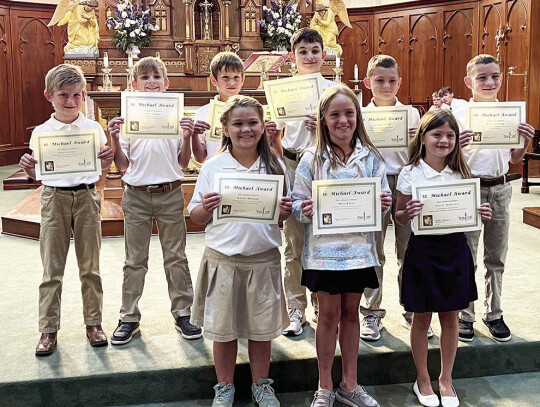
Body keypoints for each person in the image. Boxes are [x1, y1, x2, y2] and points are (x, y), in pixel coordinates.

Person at [188, 95, 292, 407]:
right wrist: (205, 208)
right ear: (225, 128)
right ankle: (225, 386)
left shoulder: (275, 166)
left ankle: (262, 384)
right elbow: (194, 213)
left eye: (252, 123)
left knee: (261, 330)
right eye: (238, 123)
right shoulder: (214, 166)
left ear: (263, 127)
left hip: (263, 259)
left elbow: (282, 216)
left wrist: (284, 211)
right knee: (224, 330)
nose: (246, 129)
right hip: (223, 259)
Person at [292, 85, 390, 407]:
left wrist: (384, 202)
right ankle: (324, 386)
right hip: (324, 254)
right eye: (335, 114)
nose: (343, 120)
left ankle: (350, 384)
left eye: (349, 113)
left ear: (357, 117)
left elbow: (382, 200)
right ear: (323, 119)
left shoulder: (371, 158)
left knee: (351, 314)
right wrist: (303, 209)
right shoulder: (311, 158)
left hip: (358, 252)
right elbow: (295, 203)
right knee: (328, 316)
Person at [395, 109, 492, 407]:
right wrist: (405, 213)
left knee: (451, 317)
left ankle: (446, 379)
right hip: (423, 252)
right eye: (436, 134)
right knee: (422, 318)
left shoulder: (462, 172)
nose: (444, 140)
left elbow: (468, 212)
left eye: (450, 135)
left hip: (454, 250)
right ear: (422, 138)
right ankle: (422, 378)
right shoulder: (410, 172)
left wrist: (481, 214)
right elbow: (397, 215)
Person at [19, 64, 114, 356]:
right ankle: (48, 329)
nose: (71, 101)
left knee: (90, 266)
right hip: (54, 199)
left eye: (76, 95)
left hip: (86, 197)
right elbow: (38, 174)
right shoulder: (41, 133)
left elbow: (102, 168)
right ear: (49, 96)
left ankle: (94, 323)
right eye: (63, 95)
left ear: (84, 95)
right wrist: (28, 169)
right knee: (52, 267)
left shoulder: (93, 128)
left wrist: (108, 159)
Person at [107, 56, 202, 345]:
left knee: (176, 256)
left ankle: (184, 312)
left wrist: (186, 136)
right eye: (145, 78)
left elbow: (184, 162)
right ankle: (128, 317)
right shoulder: (128, 121)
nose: (151, 83)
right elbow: (122, 165)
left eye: (156, 78)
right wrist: (113, 139)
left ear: (166, 83)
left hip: (170, 193)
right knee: (134, 259)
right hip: (136, 195)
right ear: (133, 84)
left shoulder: (174, 117)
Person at [453, 54, 535, 342]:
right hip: (469, 188)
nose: (489, 82)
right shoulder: (459, 114)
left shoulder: (510, 113)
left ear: (502, 78)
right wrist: (456, 146)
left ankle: (495, 313)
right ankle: (465, 313)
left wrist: (524, 142)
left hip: (499, 188)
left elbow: (514, 159)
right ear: (469, 82)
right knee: (466, 255)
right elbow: (446, 158)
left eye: (495, 76)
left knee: (496, 255)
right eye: (482, 77)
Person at [277, 28, 338, 336]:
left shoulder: (334, 90)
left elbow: (347, 132)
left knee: (322, 236)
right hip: (291, 162)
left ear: (323, 55)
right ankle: (294, 306)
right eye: (303, 52)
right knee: (293, 240)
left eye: (315, 50)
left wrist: (323, 130)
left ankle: (320, 302)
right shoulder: (282, 91)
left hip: (322, 163)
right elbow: (276, 136)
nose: (310, 56)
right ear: (293, 57)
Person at [360, 54, 423, 341]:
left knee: (408, 250)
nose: (386, 86)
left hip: (406, 182)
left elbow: (421, 155)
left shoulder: (412, 114)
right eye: (379, 81)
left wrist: (416, 139)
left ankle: (412, 310)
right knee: (373, 250)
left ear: (400, 81)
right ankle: (371, 312)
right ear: (367, 82)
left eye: (391, 81)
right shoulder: (359, 114)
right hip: (373, 184)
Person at [191, 52, 278, 163]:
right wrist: (194, 134)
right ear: (214, 80)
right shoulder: (203, 113)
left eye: (236, 77)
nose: (231, 82)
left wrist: (268, 136)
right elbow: (200, 158)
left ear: (243, 79)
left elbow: (263, 149)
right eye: (225, 77)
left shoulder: (255, 110)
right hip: (217, 172)